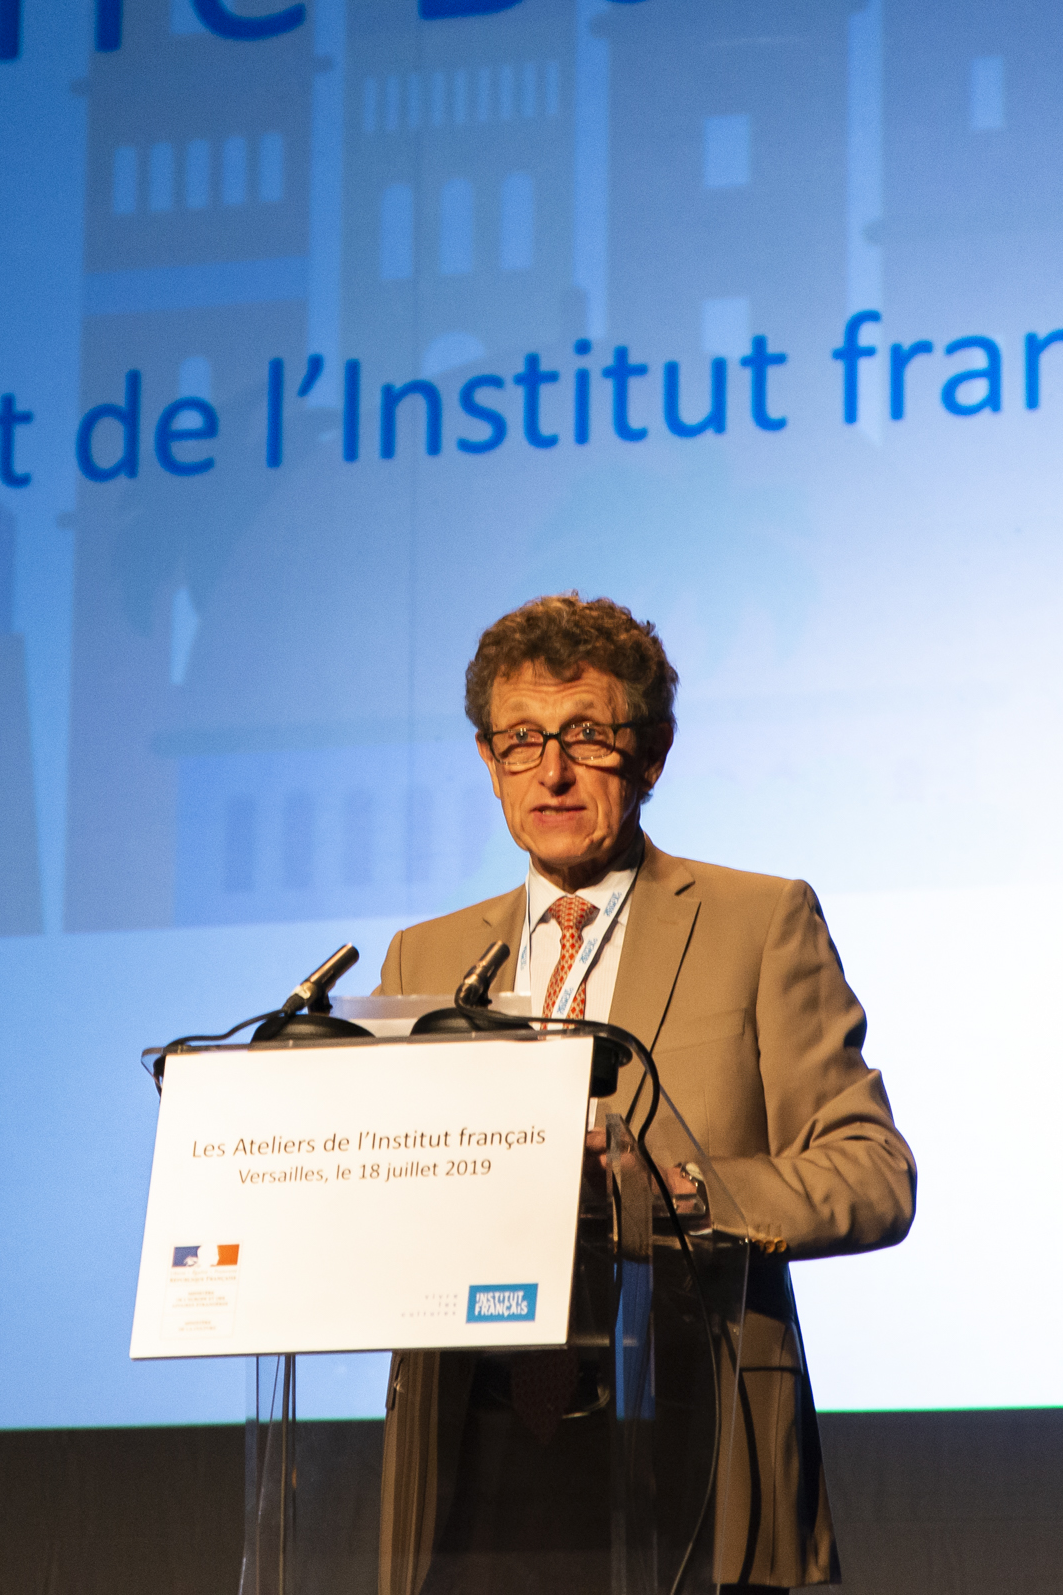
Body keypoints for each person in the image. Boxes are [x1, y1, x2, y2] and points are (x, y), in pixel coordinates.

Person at [375, 593, 913, 1594]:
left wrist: (681, 1189)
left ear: (653, 752)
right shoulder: (429, 955)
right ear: (488, 762)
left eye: (586, 733)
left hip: (686, 1434)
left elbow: (873, 1174)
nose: (553, 769)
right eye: (521, 739)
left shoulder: (760, 921)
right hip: (474, 1454)